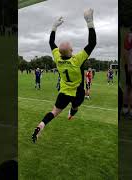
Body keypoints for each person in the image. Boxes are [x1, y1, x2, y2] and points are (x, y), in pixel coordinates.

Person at [31, 8, 97, 143]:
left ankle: (40, 126)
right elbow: (92, 43)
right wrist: (89, 22)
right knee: (75, 107)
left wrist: (54, 27)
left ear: (60, 53)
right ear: (71, 50)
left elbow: (51, 43)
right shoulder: (77, 60)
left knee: (54, 112)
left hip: (64, 91)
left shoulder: (57, 59)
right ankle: (71, 114)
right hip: (77, 92)